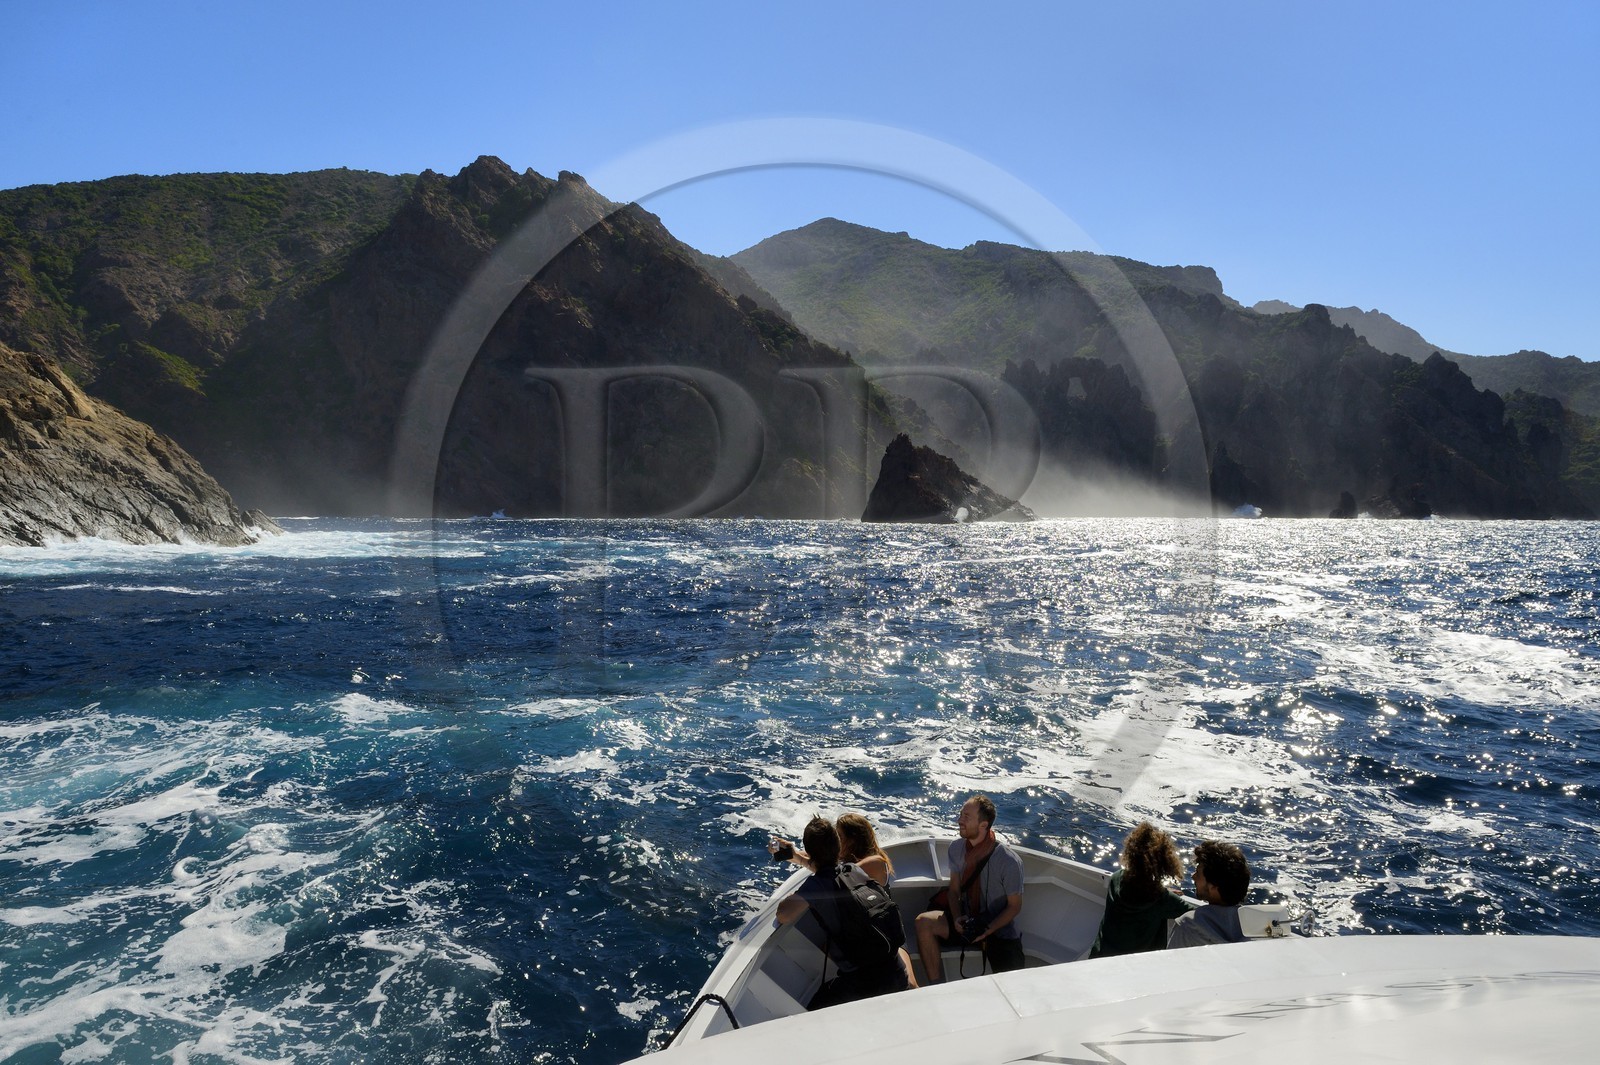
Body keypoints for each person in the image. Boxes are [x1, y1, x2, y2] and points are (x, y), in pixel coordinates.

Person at [774, 815, 909, 1008]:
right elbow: (829, 869)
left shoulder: (817, 885)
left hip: (866, 984)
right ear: (838, 848)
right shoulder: (853, 870)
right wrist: (796, 855)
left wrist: (799, 893)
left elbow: (783, 915)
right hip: (896, 972)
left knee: (812, 1010)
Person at [913, 794, 1025, 981]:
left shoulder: (1009, 861)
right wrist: (957, 918)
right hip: (966, 923)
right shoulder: (956, 848)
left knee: (1014, 983)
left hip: (996, 928)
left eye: (966, 817)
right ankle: (937, 987)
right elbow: (954, 891)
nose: (960, 820)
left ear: (983, 825)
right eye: (960, 815)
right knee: (923, 922)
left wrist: (988, 929)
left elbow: (1014, 906)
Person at [1088, 821, 1193, 958]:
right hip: (1133, 966)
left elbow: (1137, 887)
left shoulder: (1116, 879)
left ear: (1130, 853)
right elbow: (1197, 915)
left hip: (1099, 957)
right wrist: (1166, 893)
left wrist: (1164, 892)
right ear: (1165, 863)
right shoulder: (1162, 900)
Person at [1168, 840, 1251, 948]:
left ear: (1213, 887)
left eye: (1198, 873)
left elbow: (1172, 958)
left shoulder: (1187, 925)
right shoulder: (1255, 927)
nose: (1193, 876)